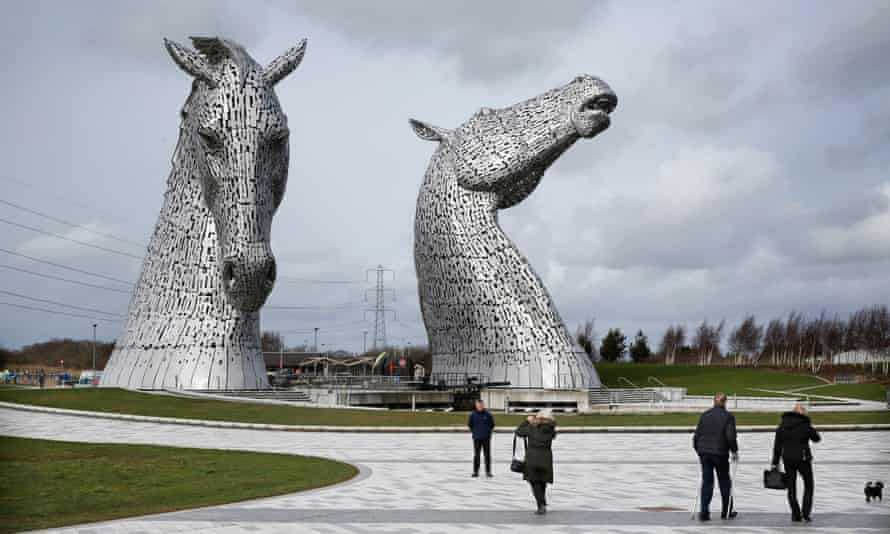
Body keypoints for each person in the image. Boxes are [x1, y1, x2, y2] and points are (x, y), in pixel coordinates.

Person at [693, 392, 739, 521]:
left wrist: (699, 450)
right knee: (724, 481)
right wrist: (734, 451)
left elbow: (696, 436)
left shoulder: (705, 415)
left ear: (714, 402)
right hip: (720, 453)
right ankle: (726, 511)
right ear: (725, 402)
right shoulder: (728, 416)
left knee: (707, 482)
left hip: (704, 453)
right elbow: (730, 437)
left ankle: (704, 511)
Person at [772, 403, 821, 522]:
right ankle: (805, 513)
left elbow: (777, 446)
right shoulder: (805, 424)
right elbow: (817, 438)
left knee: (791, 487)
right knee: (809, 485)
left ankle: (795, 514)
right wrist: (810, 426)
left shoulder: (782, 425)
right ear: (803, 414)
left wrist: (775, 462)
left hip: (787, 458)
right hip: (803, 458)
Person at [516, 409, 557, 515]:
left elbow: (519, 432)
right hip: (546, 459)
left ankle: (541, 505)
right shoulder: (551, 429)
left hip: (532, 459)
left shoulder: (532, 428)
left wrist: (527, 421)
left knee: (534, 482)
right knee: (542, 482)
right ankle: (542, 502)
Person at [468, 399, 495, 477]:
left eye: (481, 405)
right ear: (476, 405)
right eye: (478, 405)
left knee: (487, 455)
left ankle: (488, 472)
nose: (480, 406)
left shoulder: (488, 414)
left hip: (486, 438)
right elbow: (470, 425)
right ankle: (475, 471)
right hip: (476, 438)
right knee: (476, 455)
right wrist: (475, 432)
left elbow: (492, 425)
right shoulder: (473, 415)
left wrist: (488, 432)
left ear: (483, 405)